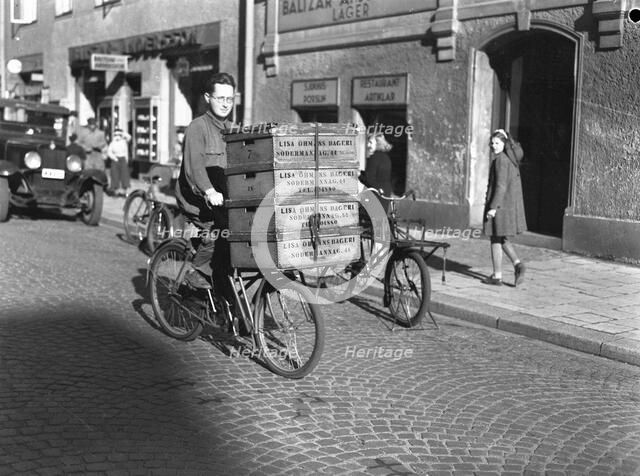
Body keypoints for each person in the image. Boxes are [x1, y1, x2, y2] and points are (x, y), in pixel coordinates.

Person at [175, 72, 236, 299]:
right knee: (217, 233)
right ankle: (196, 271)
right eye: (220, 98)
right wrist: (209, 191)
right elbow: (195, 167)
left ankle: (220, 286)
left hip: (222, 198)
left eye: (229, 99)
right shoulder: (197, 127)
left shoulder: (231, 130)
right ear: (208, 97)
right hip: (196, 198)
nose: (225, 104)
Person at [482, 129, 527, 286]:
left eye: (498, 143)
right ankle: (517, 265)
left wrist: (493, 207)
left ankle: (497, 275)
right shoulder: (509, 158)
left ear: (504, 143)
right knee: (501, 237)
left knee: (496, 237)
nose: (494, 146)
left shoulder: (501, 160)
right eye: (492, 143)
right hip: (507, 205)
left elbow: (500, 186)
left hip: (500, 205)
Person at [362, 131, 393, 213]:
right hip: (385, 191)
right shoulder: (386, 157)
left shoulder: (374, 158)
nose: (368, 145)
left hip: (376, 193)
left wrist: (358, 175)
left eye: (370, 142)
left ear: (377, 144)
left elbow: (369, 179)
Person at [106, 128, 132, 197]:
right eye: (115, 135)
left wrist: (122, 133)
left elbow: (129, 137)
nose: (117, 136)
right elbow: (109, 152)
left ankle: (124, 192)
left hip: (123, 159)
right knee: (115, 175)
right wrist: (114, 158)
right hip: (115, 159)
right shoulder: (112, 143)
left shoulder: (124, 141)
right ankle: (116, 192)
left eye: (118, 135)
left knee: (124, 176)